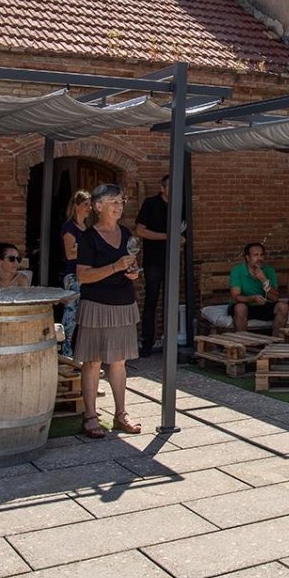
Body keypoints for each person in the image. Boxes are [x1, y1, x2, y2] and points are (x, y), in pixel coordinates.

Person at [74, 184, 142, 439]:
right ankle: (91, 416)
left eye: (120, 201)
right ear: (98, 206)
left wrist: (133, 273)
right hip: (96, 306)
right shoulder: (88, 238)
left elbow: (131, 267)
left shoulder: (126, 235)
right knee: (92, 362)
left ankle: (121, 413)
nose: (118, 206)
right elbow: (82, 276)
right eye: (112, 201)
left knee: (119, 362)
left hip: (123, 304)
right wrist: (115, 266)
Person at [134, 175, 181, 357]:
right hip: (154, 260)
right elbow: (140, 230)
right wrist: (168, 237)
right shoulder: (151, 203)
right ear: (163, 188)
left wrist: (180, 239)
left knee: (172, 301)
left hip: (174, 260)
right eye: (171, 186)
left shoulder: (180, 205)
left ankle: (171, 342)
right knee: (151, 301)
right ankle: (147, 343)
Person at [228, 242, 289, 337]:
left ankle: (276, 343)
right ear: (247, 257)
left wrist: (263, 280)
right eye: (256, 255)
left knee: (283, 307)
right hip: (245, 305)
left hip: (262, 305)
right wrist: (253, 298)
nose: (260, 258)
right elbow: (236, 297)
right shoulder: (237, 271)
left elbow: (274, 298)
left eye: (261, 255)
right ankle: (242, 345)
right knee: (240, 308)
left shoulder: (269, 271)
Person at [60, 189, 91, 358]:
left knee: (83, 313)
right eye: (86, 204)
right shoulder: (69, 227)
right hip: (73, 275)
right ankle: (66, 350)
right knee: (71, 313)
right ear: (77, 206)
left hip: (86, 275)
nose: (89, 208)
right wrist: (89, 250)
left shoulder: (86, 227)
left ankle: (80, 348)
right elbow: (70, 254)